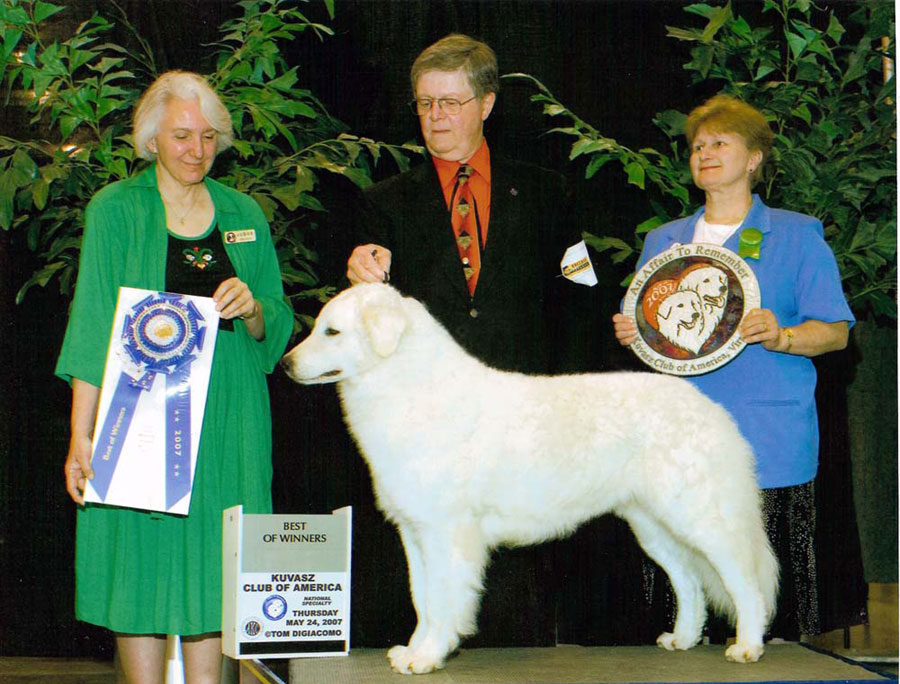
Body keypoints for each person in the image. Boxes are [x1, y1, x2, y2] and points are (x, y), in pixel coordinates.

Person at [329, 34, 601, 650]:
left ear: (486, 104)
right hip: (430, 431)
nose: (436, 118)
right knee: (434, 550)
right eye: (426, 105)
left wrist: (571, 400)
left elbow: (581, 299)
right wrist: (360, 269)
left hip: (524, 417)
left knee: (520, 596)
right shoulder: (384, 204)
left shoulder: (547, 193)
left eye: (451, 103)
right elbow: (366, 320)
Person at [56, 71, 292, 684]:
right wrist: (81, 435)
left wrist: (253, 310)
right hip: (138, 417)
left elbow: (278, 315)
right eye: (182, 135)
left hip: (230, 420)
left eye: (208, 136)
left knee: (216, 567)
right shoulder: (114, 209)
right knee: (139, 563)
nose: (197, 148)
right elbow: (92, 325)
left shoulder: (244, 214)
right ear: (151, 138)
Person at [612, 95, 854, 641]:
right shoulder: (663, 241)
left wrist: (783, 335)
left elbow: (836, 332)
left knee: (769, 610)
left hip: (764, 437)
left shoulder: (797, 235)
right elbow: (654, 330)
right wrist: (634, 333)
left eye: (721, 143)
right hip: (677, 436)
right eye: (698, 146)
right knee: (679, 574)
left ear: (754, 159)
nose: (706, 153)